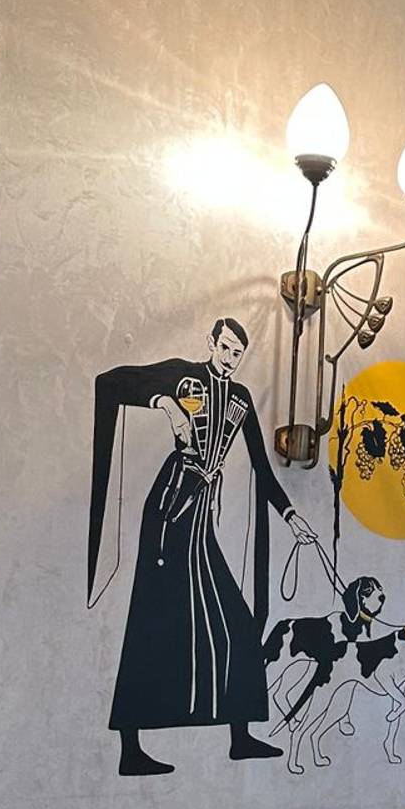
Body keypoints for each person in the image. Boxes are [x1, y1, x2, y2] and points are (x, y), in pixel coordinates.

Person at [88, 316, 319, 775]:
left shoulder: (240, 398)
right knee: (150, 622)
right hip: (170, 508)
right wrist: (166, 404)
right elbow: (112, 382)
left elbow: (262, 468)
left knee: (236, 623)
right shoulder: (183, 375)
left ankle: (240, 738)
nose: (230, 358)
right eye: (225, 348)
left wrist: (291, 516)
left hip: (199, 518)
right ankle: (130, 750)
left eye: (238, 353)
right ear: (211, 343)